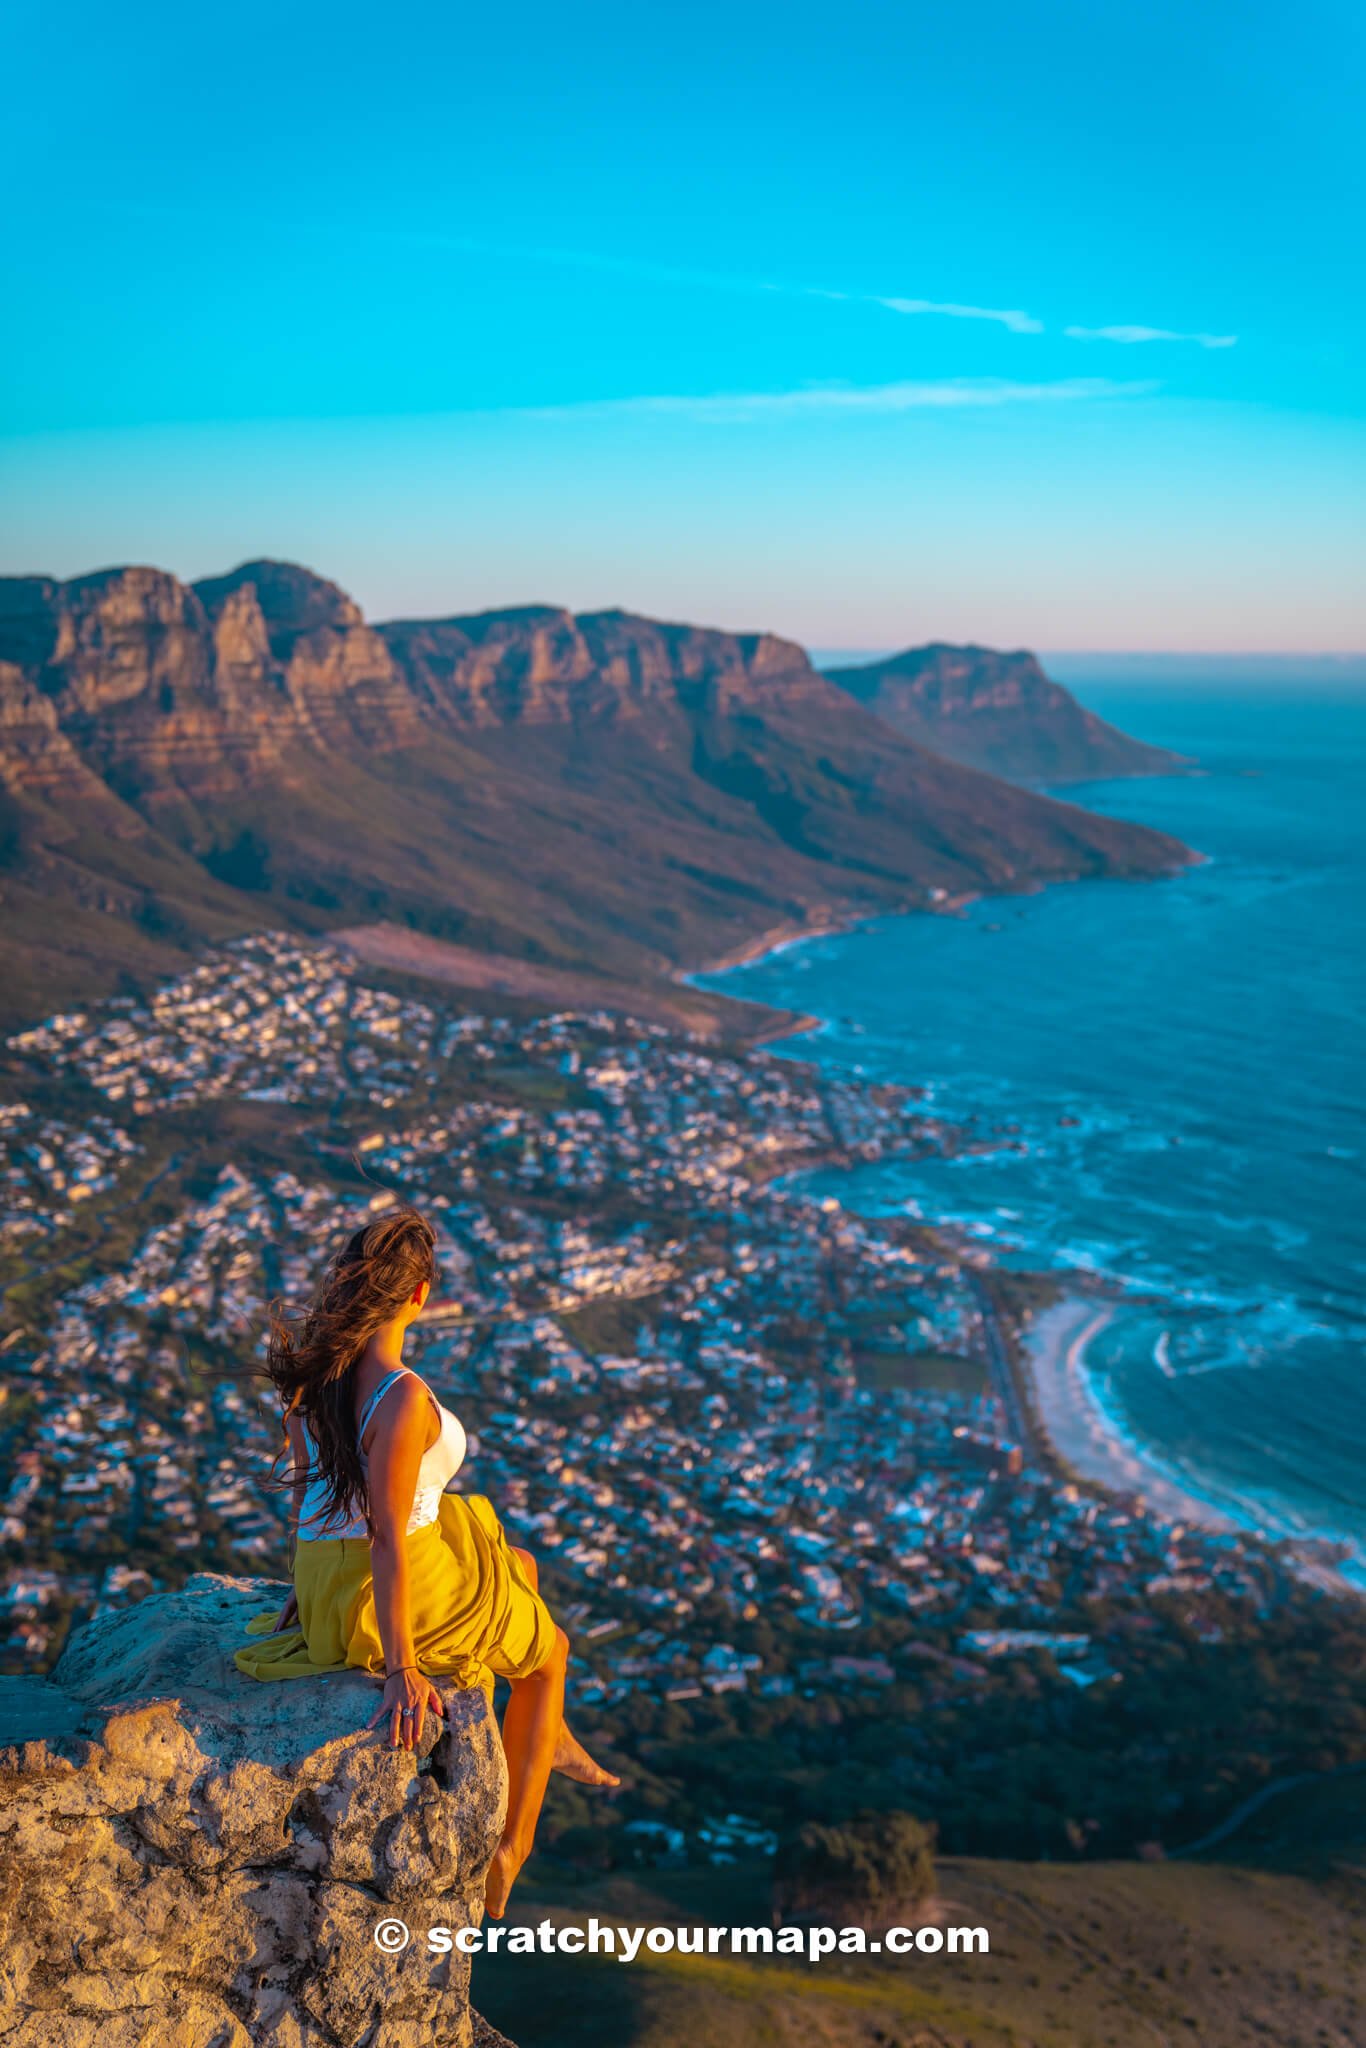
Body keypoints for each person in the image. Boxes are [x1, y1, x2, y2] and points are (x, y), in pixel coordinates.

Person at [233, 1205, 617, 1917]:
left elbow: (310, 1494)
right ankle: (512, 1848)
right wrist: (402, 1670)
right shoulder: (399, 1396)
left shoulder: (314, 1378)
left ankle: (547, 1732)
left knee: (518, 1562)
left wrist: (304, 1589)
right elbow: (385, 1536)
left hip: (326, 1574)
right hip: (388, 1576)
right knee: (552, 1652)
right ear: (419, 1296)